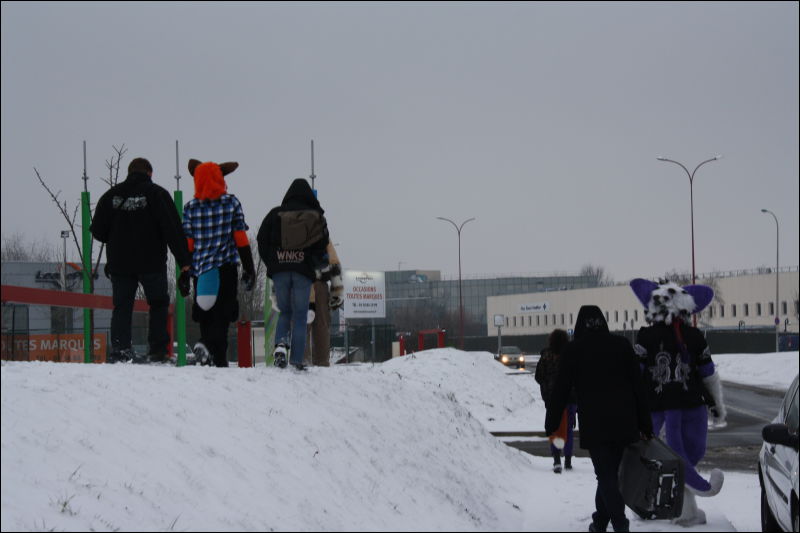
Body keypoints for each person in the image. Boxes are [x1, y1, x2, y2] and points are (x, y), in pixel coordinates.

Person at [545, 305, 653, 533]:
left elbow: (560, 390)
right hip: (625, 421)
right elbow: (638, 386)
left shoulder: (574, 350)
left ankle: (620, 524)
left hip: (596, 424)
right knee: (609, 474)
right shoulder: (622, 345)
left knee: (605, 475)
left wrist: (552, 421)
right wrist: (645, 423)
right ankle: (600, 522)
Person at [629, 278, 725, 527]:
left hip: (655, 410)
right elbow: (708, 374)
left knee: (663, 459)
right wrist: (717, 406)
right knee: (687, 457)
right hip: (692, 408)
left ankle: (663, 505)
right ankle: (684, 508)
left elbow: (634, 373)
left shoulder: (645, 336)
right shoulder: (695, 337)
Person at [90, 157, 192, 364]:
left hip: (120, 264)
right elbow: (173, 230)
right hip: (151, 261)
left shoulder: (110, 196)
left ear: (129, 172)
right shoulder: (157, 194)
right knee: (158, 304)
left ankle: (120, 350)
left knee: (122, 306)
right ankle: (158, 351)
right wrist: (184, 263)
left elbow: (98, 232)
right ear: (150, 173)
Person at [182, 159, 255, 368]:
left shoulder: (190, 207)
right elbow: (240, 237)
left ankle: (208, 354)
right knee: (223, 314)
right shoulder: (231, 203)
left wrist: (184, 273)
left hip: (201, 269)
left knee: (206, 314)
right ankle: (213, 351)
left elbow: (188, 243)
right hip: (226, 267)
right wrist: (249, 268)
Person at [257, 178, 329, 371]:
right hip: (302, 273)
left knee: (284, 312)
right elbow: (323, 246)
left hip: (280, 271)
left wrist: (272, 263)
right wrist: (312, 264)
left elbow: (261, 238)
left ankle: (280, 344)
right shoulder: (314, 216)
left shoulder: (275, 214)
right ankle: (297, 360)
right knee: (299, 315)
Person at [535, 328, 576, 473]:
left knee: (555, 428)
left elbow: (539, 377)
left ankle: (557, 459)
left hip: (552, 399)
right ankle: (568, 460)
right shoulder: (571, 354)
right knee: (568, 428)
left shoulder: (546, 355)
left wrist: (547, 388)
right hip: (570, 398)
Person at [303, 241, 345, 367]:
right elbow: (334, 262)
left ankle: (301, 361)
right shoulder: (320, 231)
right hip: (320, 283)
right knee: (322, 324)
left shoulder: (293, 231)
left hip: (301, 283)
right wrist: (337, 290)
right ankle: (322, 362)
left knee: (302, 325)